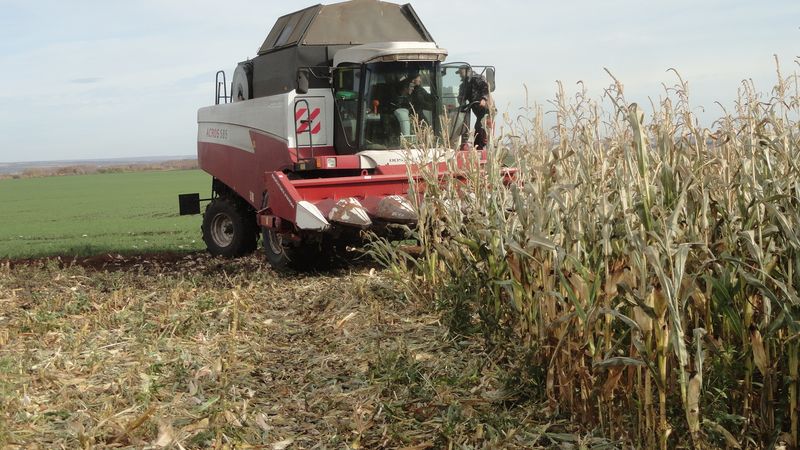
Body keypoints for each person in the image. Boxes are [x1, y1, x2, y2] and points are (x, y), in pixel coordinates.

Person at [457, 65, 491, 149]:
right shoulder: (463, 85)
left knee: (479, 127)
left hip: (485, 109)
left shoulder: (477, 79)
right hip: (475, 109)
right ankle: (475, 147)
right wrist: (459, 104)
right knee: (473, 128)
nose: (460, 75)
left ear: (468, 71)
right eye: (459, 73)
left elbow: (485, 87)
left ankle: (480, 147)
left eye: (461, 72)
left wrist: (483, 99)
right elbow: (461, 97)